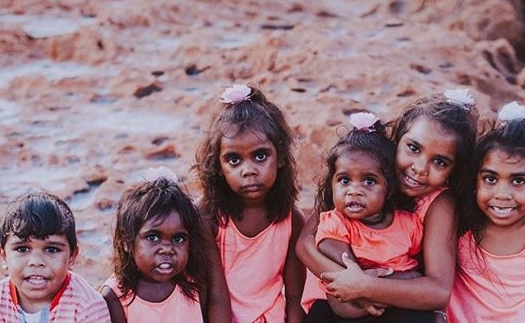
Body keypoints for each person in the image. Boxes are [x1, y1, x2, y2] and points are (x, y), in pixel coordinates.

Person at [297, 89, 479, 322]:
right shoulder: (361, 173)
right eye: (413, 148)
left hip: (395, 301)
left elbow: (439, 292)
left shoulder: (439, 203)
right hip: (335, 299)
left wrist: (365, 286)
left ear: (454, 171)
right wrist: (348, 280)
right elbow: (305, 243)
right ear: (397, 140)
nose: (420, 167)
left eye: (440, 162)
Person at [447, 102, 525, 322]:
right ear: (475, 180)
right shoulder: (461, 224)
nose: (503, 194)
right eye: (490, 179)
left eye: (518, 181)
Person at [195, 84, 306, 323]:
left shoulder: (291, 220)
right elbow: (216, 295)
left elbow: (295, 297)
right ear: (218, 167)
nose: (249, 171)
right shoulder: (208, 215)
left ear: (281, 158)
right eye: (234, 160)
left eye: (260, 156)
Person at [308, 112, 428, 322]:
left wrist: (381, 286)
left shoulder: (408, 223)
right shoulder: (335, 221)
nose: (354, 191)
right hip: (349, 305)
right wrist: (373, 281)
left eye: (369, 181)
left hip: (395, 306)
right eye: (344, 180)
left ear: (389, 190)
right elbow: (337, 261)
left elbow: (419, 268)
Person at [101, 166, 231, 323]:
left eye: (178, 239)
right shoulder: (115, 297)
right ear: (127, 242)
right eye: (153, 237)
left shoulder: (195, 284)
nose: (167, 250)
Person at [0, 192, 111, 322]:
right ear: (4, 255)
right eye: (22, 249)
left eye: (52, 249)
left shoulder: (88, 307)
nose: (36, 262)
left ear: (72, 256)